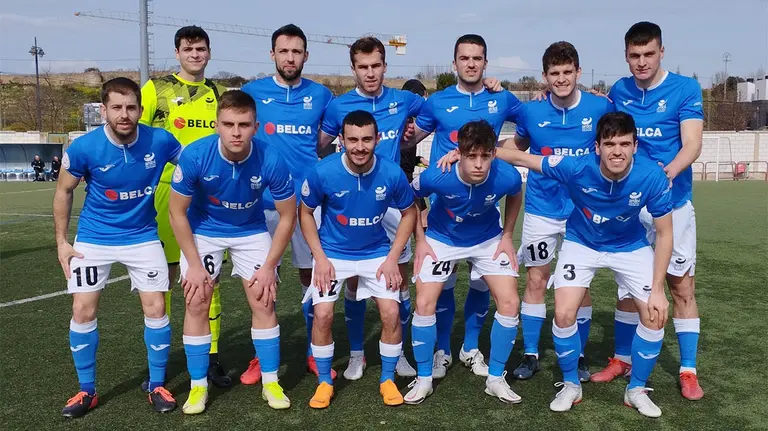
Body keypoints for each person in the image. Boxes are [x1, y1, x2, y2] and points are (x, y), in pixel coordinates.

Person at [441, 111, 674, 417]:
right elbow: (524, 158)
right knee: (563, 314)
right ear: (597, 147)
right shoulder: (576, 167)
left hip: (629, 246)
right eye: (609, 144)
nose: (617, 151)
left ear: (635, 146)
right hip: (582, 243)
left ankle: (637, 390)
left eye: (624, 144)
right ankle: (570, 384)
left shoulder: (652, 175)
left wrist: (658, 288)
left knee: (655, 314)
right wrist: (470, 152)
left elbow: (665, 233)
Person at [53, 77, 182, 418]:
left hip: (143, 236)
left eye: (131, 107)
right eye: (116, 107)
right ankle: (87, 390)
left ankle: (156, 385)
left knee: (157, 307)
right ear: (104, 110)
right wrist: (62, 242)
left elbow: (193, 166)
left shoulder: (161, 140)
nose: (124, 114)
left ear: (140, 109)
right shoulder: (84, 147)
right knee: (83, 310)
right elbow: (64, 191)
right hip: (94, 238)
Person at [591, 21, 705, 401]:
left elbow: (692, 144)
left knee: (681, 287)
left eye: (649, 54)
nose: (642, 62)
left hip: (672, 205)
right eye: (634, 55)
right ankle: (622, 359)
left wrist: (664, 176)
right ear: (626, 56)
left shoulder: (685, 88)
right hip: (629, 209)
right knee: (627, 288)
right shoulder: (619, 91)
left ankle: (688, 370)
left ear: (661, 52)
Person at [168, 90, 296, 414]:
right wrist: (194, 265)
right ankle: (198, 387)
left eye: (243, 124)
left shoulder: (271, 159)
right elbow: (176, 212)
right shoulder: (196, 155)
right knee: (197, 300)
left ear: (256, 126)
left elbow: (287, 216)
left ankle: (271, 382)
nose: (236, 132)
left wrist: (269, 266)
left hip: (250, 230)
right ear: (217, 125)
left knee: (264, 299)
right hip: (204, 230)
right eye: (228, 124)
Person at [405, 33, 524, 379]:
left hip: (484, 210)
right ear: (454, 63)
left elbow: (531, 126)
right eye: (464, 58)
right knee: (442, 283)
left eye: (477, 58)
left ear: (485, 62)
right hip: (444, 206)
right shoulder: (438, 101)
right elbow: (410, 139)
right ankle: (442, 350)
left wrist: (501, 155)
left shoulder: (501, 98)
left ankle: (470, 348)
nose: (471, 64)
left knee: (482, 283)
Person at [500, 41, 614, 382]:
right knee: (536, 279)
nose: (561, 79)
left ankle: (578, 354)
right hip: (541, 211)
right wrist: (476, 150)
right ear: (544, 76)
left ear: (578, 72)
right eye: (554, 73)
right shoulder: (531, 112)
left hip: (583, 212)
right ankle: (531, 353)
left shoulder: (599, 107)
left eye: (567, 72)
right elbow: (518, 146)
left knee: (581, 285)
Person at [316, 36, 425, 380]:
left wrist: (411, 137)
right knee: (352, 281)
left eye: (376, 65)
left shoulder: (403, 99)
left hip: (393, 202)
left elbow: (434, 115)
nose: (370, 73)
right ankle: (356, 354)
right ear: (353, 69)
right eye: (363, 67)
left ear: (385, 66)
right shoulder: (338, 106)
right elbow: (319, 145)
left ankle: (399, 352)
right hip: (355, 201)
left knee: (398, 280)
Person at [300, 110, 418, 408]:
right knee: (323, 314)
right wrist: (319, 257)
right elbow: (305, 212)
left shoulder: (391, 173)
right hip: (332, 254)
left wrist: (392, 258)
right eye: (353, 140)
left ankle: (387, 379)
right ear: (341, 140)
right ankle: (324, 382)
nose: (360, 147)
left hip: (376, 253)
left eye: (366, 139)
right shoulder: (323, 172)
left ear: (377, 139)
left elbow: (409, 213)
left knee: (391, 313)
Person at [240, 23, 335, 383]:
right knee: (264, 280)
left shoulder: (322, 95)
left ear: (306, 56)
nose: (290, 58)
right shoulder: (252, 93)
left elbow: (325, 141)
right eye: (284, 51)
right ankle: (261, 357)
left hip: (308, 205)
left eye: (296, 51)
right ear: (272, 55)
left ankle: (314, 350)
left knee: (312, 277)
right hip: (263, 204)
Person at [405, 119, 524, 405]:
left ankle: (495, 378)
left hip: (487, 239)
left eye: (485, 156)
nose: (479, 164)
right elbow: (410, 197)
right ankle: (425, 377)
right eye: (472, 156)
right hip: (442, 238)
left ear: (493, 154)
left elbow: (515, 194)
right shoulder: (439, 175)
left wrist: (508, 235)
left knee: (510, 302)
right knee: (424, 302)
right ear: (459, 153)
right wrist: (421, 240)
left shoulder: (506, 175)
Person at [139, 25, 231, 388]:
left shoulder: (220, 94)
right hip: (165, 194)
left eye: (201, 49)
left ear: (209, 52)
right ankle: (160, 363)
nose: (195, 54)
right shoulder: (156, 89)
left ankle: (211, 358)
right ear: (177, 52)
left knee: (210, 280)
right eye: (188, 49)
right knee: (162, 279)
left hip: (209, 198)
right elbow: (136, 135)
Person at [399, 79, 430, 228]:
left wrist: (419, 160)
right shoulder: (402, 122)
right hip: (403, 178)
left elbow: (407, 156)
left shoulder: (409, 121)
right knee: (418, 214)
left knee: (421, 214)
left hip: (407, 175)